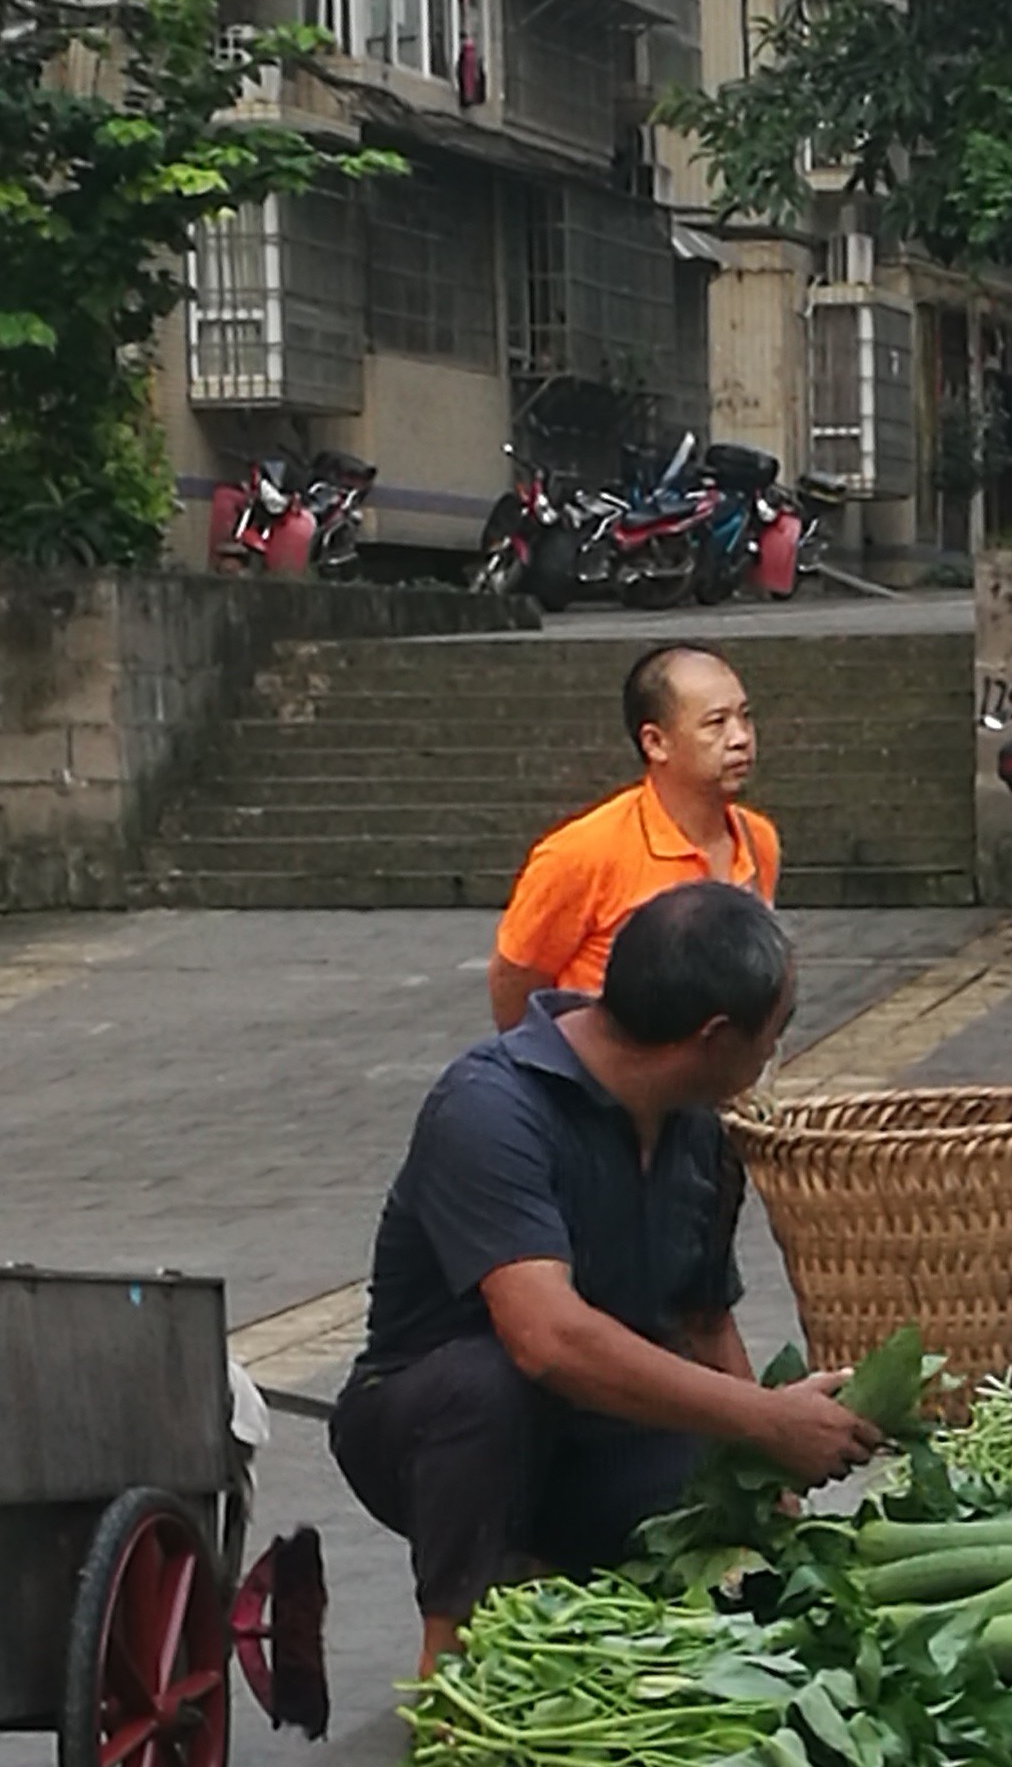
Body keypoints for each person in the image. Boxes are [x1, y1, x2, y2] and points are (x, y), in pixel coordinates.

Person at [331, 882, 880, 1674]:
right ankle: (447, 1661)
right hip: (436, 1432)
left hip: (599, 1431)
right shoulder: (490, 1107)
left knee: (715, 1520)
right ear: (715, 1036)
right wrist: (767, 1419)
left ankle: (555, 1579)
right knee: (488, 1381)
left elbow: (703, 1320)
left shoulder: (699, 1129)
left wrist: (773, 1491)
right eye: (775, 1033)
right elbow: (547, 1339)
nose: (774, 1056)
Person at [488, 642, 780, 1030]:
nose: (740, 738)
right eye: (716, 723)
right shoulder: (582, 854)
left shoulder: (757, 839)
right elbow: (514, 978)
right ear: (655, 742)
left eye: (745, 718)